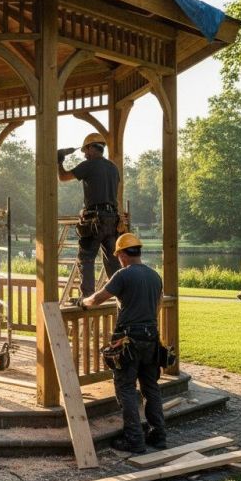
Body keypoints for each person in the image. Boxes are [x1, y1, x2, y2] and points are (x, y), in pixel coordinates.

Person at [79, 232, 165, 454]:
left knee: (126, 388)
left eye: (118, 254)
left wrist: (84, 302)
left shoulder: (123, 275)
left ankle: (134, 440)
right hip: (151, 337)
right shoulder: (155, 276)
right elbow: (158, 305)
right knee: (150, 387)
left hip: (128, 339)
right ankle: (158, 435)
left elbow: (99, 298)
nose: (118, 258)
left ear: (123, 255)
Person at [58, 132, 121, 296]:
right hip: (112, 219)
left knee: (86, 258)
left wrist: (59, 161)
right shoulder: (113, 168)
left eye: (86, 150)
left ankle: (87, 298)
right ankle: (119, 295)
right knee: (113, 260)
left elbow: (63, 177)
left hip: (95, 220)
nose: (85, 154)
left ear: (93, 148)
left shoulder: (89, 165)